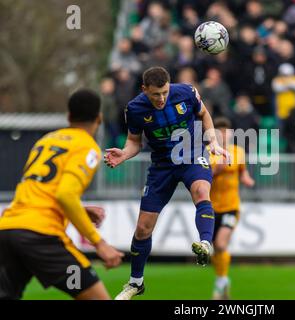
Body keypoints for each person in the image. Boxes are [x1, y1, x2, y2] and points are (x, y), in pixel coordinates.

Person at [105, 67, 229, 300]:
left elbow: (204, 114)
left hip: (192, 155)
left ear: (169, 86)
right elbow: (134, 142)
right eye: (155, 95)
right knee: (143, 228)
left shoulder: (186, 93)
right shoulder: (135, 109)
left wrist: (212, 140)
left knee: (202, 191)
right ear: (144, 90)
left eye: (164, 92)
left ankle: (205, 243)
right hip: (162, 165)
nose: (161, 98)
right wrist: (123, 154)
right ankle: (135, 283)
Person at [0, 89, 124, 300]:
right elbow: (65, 194)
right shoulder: (87, 147)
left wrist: (80, 210)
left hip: (7, 230)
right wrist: (99, 243)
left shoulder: (46, 140)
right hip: (40, 237)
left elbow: (39, 191)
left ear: (68, 116)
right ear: (99, 118)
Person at [209, 117, 255, 300]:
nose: (223, 135)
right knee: (215, 249)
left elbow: (242, 170)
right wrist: (217, 168)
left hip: (230, 206)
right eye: (219, 132)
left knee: (221, 243)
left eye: (226, 132)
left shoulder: (238, 152)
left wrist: (246, 178)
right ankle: (222, 279)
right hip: (211, 208)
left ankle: (220, 282)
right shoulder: (208, 153)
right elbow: (204, 176)